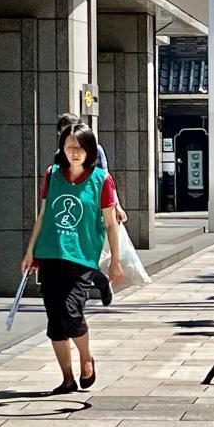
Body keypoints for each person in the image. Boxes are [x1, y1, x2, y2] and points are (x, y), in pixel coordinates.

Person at [21, 123, 123, 394]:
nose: (74, 153)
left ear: (90, 150)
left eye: (80, 148)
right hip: (51, 253)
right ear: (62, 149)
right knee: (55, 321)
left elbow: (111, 224)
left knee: (71, 311)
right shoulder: (52, 174)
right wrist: (31, 250)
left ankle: (86, 357)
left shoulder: (101, 179)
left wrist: (115, 260)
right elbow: (43, 215)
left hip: (81, 256)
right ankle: (67, 379)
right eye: (69, 147)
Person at [56, 113, 125, 306]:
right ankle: (89, 284)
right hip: (69, 211)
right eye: (62, 136)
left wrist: (116, 206)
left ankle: (92, 283)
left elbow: (105, 180)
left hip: (91, 210)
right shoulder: (60, 154)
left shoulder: (96, 150)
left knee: (84, 249)